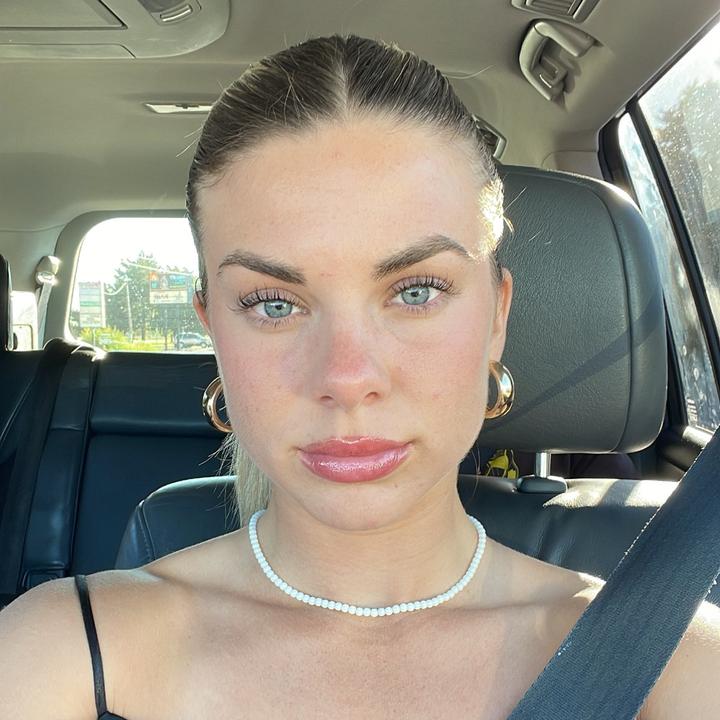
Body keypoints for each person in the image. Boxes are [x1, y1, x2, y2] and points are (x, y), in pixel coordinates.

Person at [1, 34, 718, 720]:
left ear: (496, 317)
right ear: (213, 329)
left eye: (416, 291)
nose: (347, 378)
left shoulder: (675, 663)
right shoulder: (58, 651)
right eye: (273, 304)